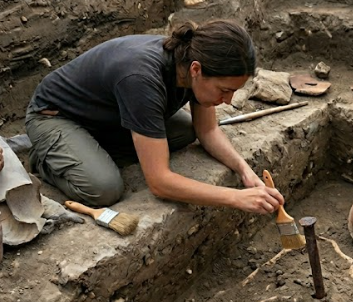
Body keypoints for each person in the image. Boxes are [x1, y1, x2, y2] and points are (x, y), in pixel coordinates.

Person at [25, 19, 284, 215]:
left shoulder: (192, 62)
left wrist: (244, 171)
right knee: (104, 188)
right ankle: (46, 158)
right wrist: (236, 198)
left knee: (186, 131)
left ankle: (89, 151)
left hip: (106, 117)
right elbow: (159, 183)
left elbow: (207, 131)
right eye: (225, 90)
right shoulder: (142, 80)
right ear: (196, 70)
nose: (227, 100)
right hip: (56, 117)